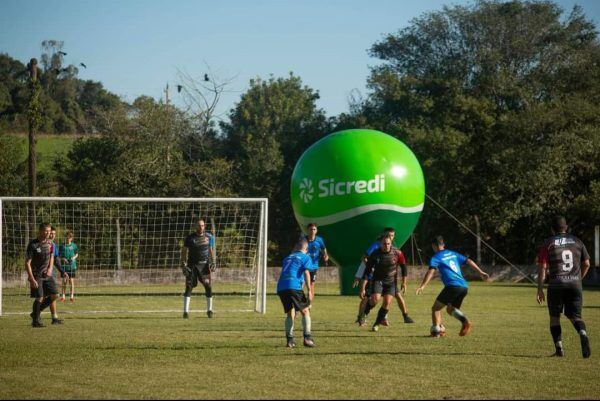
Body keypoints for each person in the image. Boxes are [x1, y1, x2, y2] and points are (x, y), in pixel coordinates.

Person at [536, 215, 591, 358]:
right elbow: (587, 264)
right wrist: (578, 279)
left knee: (554, 317)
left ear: (552, 229)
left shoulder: (548, 243)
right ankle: (583, 333)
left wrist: (540, 289)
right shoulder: (578, 241)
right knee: (576, 316)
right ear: (566, 227)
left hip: (556, 285)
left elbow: (543, 268)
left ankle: (559, 350)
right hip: (575, 284)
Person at [416, 235, 489, 337]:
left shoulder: (436, 257)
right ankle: (464, 321)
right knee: (450, 309)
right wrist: (481, 272)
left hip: (452, 286)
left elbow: (430, 272)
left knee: (435, 308)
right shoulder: (452, 253)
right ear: (443, 244)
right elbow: (469, 261)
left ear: (434, 246)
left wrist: (423, 285)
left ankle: (436, 332)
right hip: (463, 287)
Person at [353, 227, 414, 327]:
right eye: (388, 235)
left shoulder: (395, 250)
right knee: (370, 299)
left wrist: (404, 282)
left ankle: (395, 317)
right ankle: (362, 316)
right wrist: (361, 276)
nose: (390, 238)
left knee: (390, 299)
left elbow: (403, 266)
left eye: (392, 236)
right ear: (382, 238)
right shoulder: (376, 247)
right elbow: (365, 260)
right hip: (375, 278)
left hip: (390, 280)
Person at [358, 234, 406, 332]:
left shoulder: (397, 253)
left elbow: (404, 267)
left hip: (391, 282)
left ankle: (377, 324)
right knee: (375, 299)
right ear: (380, 244)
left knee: (387, 302)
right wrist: (362, 288)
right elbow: (367, 272)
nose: (386, 246)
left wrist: (404, 282)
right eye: (384, 244)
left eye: (388, 244)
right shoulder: (375, 254)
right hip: (377, 280)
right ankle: (365, 313)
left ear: (391, 243)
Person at [276, 238, 315, 348]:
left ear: (296, 247)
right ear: (306, 249)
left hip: (281, 287)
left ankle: (290, 341)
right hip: (293, 286)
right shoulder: (306, 257)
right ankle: (307, 338)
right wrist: (310, 291)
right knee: (305, 311)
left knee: (290, 313)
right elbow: (306, 273)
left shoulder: (287, 258)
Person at [25, 222, 60, 328]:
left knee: (55, 295)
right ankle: (35, 321)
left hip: (47, 275)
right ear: (40, 231)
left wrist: (50, 269)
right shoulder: (33, 244)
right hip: (37, 275)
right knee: (40, 297)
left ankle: (35, 313)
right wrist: (31, 278)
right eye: (46, 231)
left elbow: (52, 256)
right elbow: (27, 263)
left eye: (49, 231)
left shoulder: (50, 243)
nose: (48, 233)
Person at [181, 218, 216, 319]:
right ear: (195, 226)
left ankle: (209, 311)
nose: (201, 227)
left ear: (204, 226)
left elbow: (210, 250)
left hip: (204, 266)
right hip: (192, 266)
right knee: (188, 287)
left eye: (202, 225)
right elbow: (184, 251)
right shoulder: (190, 238)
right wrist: (183, 264)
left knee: (208, 287)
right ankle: (185, 312)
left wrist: (213, 261)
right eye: (199, 225)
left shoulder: (209, 237)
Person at [302, 223, 329, 304]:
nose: (312, 231)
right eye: (311, 229)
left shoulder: (319, 240)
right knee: (301, 285)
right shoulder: (303, 240)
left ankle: (309, 303)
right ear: (307, 230)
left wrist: (326, 255)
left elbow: (324, 249)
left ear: (316, 231)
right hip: (303, 266)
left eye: (314, 229)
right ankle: (300, 303)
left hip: (313, 266)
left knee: (311, 285)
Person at [48, 226, 69, 324]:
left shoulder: (54, 245)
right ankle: (36, 315)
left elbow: (56, 260)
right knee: (42, 297)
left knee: (54, 294)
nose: (52, 235)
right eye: (51, 233)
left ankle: (54, 318)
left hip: (49, 275)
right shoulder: (40, 244)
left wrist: (62, 271)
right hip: (40, 275)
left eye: (54, 234)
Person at [59, 230, 79, 302]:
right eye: (67, 237)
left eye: (70, 237)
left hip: (72, 266)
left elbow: (77, 254)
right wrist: (63, 259)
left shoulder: (74, 245)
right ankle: (63, 296)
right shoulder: (62, 246)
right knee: (64, 281)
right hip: (64, 266)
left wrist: (73, 258)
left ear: (72, 238)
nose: (68, 238)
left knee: (71, 281)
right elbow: (59, 255)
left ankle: (71, 296)